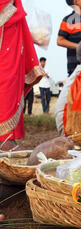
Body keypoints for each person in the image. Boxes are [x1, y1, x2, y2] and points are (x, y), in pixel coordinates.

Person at [0, 0, 44, 151]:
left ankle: (7, 139)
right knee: (6, 78)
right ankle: (4, 140)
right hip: (6, 23)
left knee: (11, 79)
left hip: (11, 25)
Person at [57, 0, 81, 76]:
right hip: (75, 68)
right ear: (76, 1)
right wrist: (80, 47)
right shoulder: (69, 20)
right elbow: (60, 41)